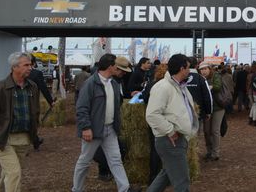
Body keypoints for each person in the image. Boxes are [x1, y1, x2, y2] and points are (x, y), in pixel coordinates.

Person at [72, 54, 137, 192]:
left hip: (110, 129)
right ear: (110, 67)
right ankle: (77, 189)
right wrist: (86, 127)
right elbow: (81, 107)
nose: (118, 68)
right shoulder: (90, 84)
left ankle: (124, 188)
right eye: (116, 66)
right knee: (84, 161)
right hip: (94, 129)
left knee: (116, 160)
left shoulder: (113, 83)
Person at [146, 54, 199, 192]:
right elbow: (152, 114)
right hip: (170, 139)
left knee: (167, 175)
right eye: (188, 67)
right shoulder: (163, 87)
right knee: (182, 181)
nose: (189, 70)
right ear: (182, 68)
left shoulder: (180, 86)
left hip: (177, 138)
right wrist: (170, 130)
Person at [0, 52, 40, 192]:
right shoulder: (1, 87)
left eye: (31, 64)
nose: (30, 67)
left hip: (24, 138)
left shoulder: (32, 86)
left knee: (11, 171)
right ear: (14, 67)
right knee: (14, 173)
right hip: (4, 138)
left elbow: (35, 110)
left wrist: (34, 131)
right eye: (26, 65)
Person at [141, 64, 168, 185]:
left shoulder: (151, 84)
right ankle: (164, 178)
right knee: (166, 150)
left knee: (154, 149)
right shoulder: (168, 86)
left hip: (152, 120)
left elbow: (145, 98)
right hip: (165, 120)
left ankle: (153, 177)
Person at [204, 65, 225, 161]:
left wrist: (210, 87)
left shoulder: (216, 75)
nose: (203, 71)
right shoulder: (200, 79)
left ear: (209, 69)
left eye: (205, 69)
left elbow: (217, 86)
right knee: (206, 131)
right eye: (201, 69)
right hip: (207, 108)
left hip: (218, 107)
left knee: (215, 130)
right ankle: (209, 150)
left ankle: (215, 153)